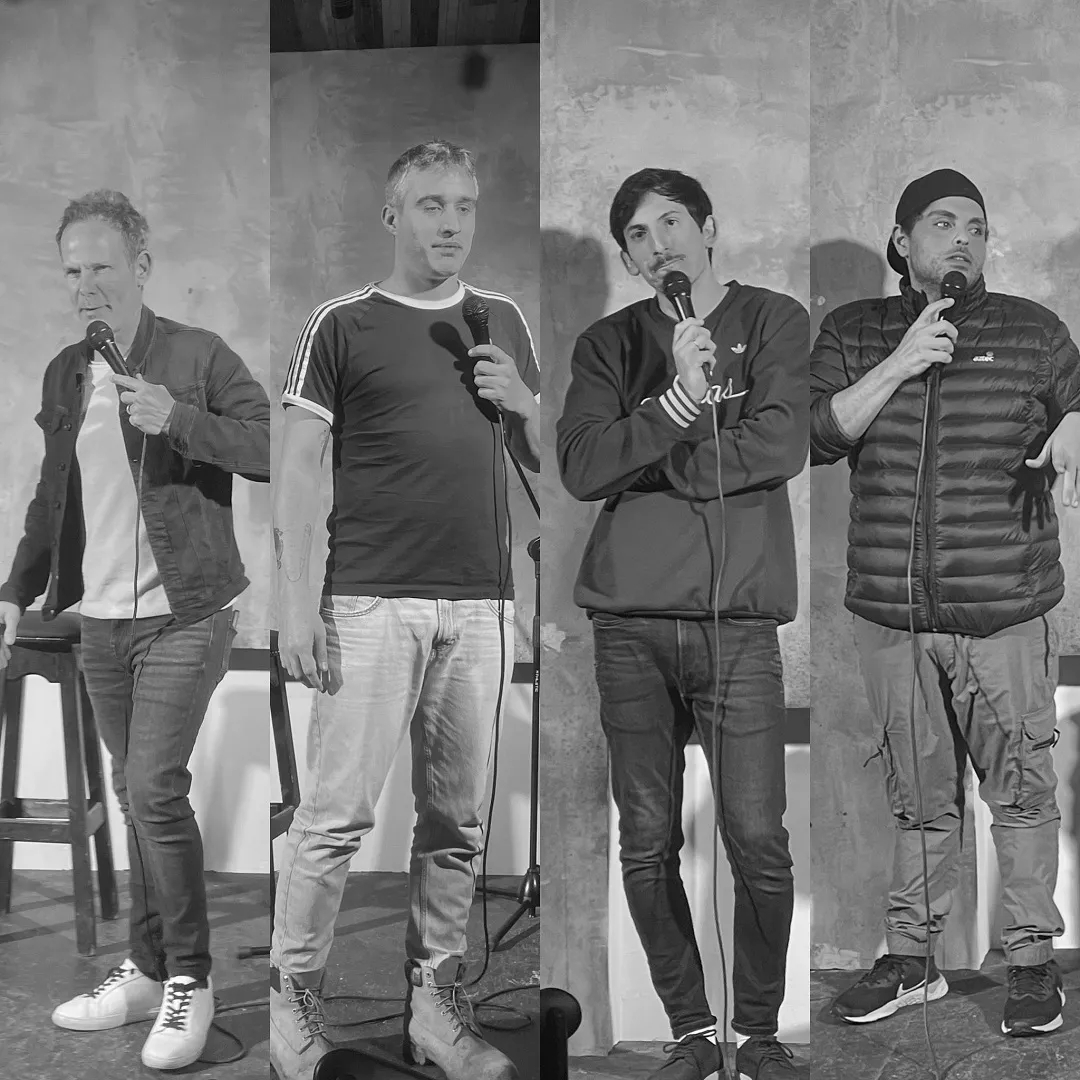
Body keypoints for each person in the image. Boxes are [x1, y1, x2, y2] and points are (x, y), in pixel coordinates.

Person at [270, 139, 540, 1080]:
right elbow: (298, 471)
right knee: (333, 820)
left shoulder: (500, 319)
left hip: (481, 604)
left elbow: (542, 466)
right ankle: (292, 1005)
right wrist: (295, 604)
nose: (451, 222)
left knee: (457, 824)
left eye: (464, 204)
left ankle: (434, 1006)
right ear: (392, 215)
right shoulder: (340, 323)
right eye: (431, 204)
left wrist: (523, 403)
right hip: (368, 600)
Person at [0, 189, 271, 1070]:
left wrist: (178, 419)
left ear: (142, 267)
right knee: (133, 795)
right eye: (71, 270)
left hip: (187, 613)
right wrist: (15, 592)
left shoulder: (197, 354)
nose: (85, 286)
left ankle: (191, 977)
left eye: (101, 267)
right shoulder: (65, 373)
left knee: (153, 789)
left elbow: (275, 446)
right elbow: (52, 498)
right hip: (103, 623)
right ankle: (149, 970)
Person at [810, 168, 1080, 1036]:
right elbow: (818, 435)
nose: (963, 239)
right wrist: (902, 360)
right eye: (942, 223)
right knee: (919, 802)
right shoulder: (853, 332)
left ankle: (1031, 965)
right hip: (893, 617)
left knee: (1023, 795)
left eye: (977, 227)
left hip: (1004, 613)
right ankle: (912, 958)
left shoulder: (1034, 333)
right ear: (901, 241)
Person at [557, 168, 809, 1080]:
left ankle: (760, 1032)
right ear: (628, 257)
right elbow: (582, 466)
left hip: (736, 623)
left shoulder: (772, 319)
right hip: (627, 624)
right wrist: (672, 407)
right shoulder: (608, 343)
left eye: (671, 222)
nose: (657, 241)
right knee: (647, 840)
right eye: (637, 232)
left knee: (759, 841)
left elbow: (782, 444)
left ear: (707, 229)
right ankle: (694, 1032)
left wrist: (655, 457)